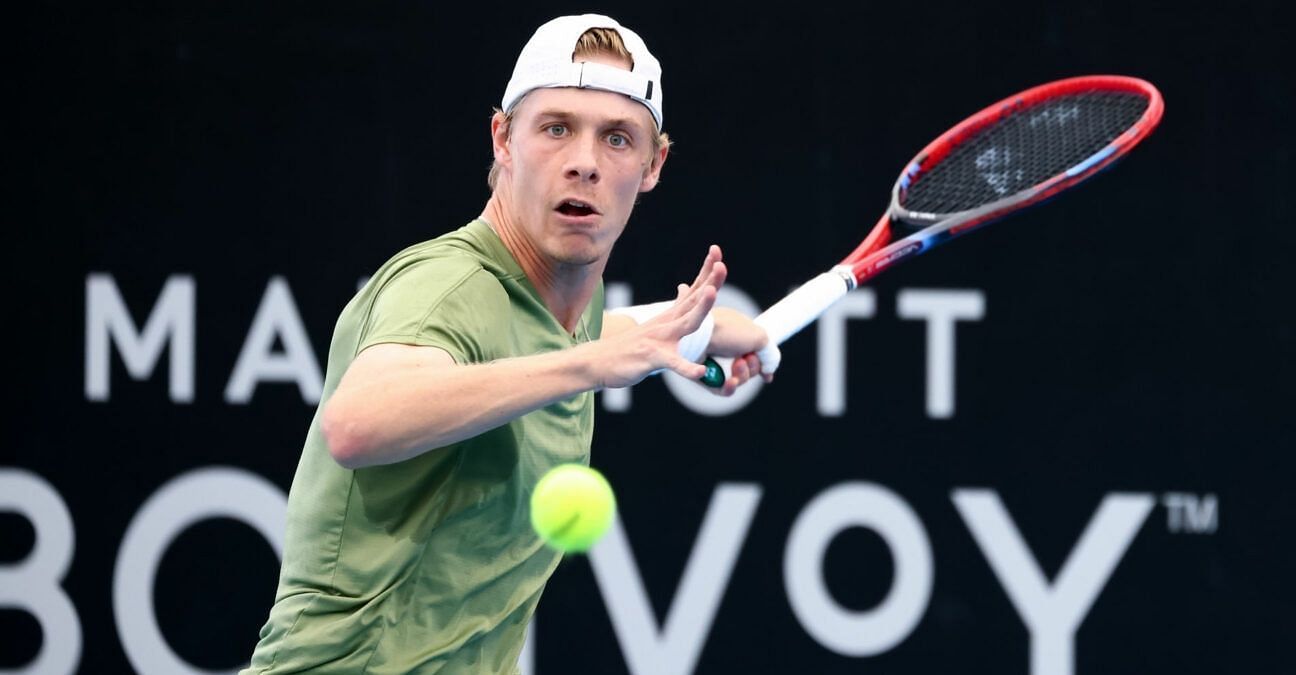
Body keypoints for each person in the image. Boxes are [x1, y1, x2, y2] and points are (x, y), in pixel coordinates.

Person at [241, 14, 774, 674]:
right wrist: (591, 363)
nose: (584, 162)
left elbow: (543, 338)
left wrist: (699, 326)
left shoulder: (556, 303)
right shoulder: (444, 284)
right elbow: (356, 422)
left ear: (652, 164)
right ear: (503, 138)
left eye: (616, 138)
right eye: (556, 128)